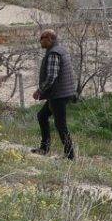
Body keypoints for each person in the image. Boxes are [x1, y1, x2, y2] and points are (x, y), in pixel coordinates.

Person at [32, 27, 77, 160]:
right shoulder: (61, 50)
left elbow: (52, 76)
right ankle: (44, 148)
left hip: (59, 95)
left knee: (60, 125)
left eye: (42, 38)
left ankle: (70, 156)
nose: (40, 41)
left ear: (50, 39)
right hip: (62, 93)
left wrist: (40, 90)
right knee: (42, 116)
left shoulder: (53, 53)